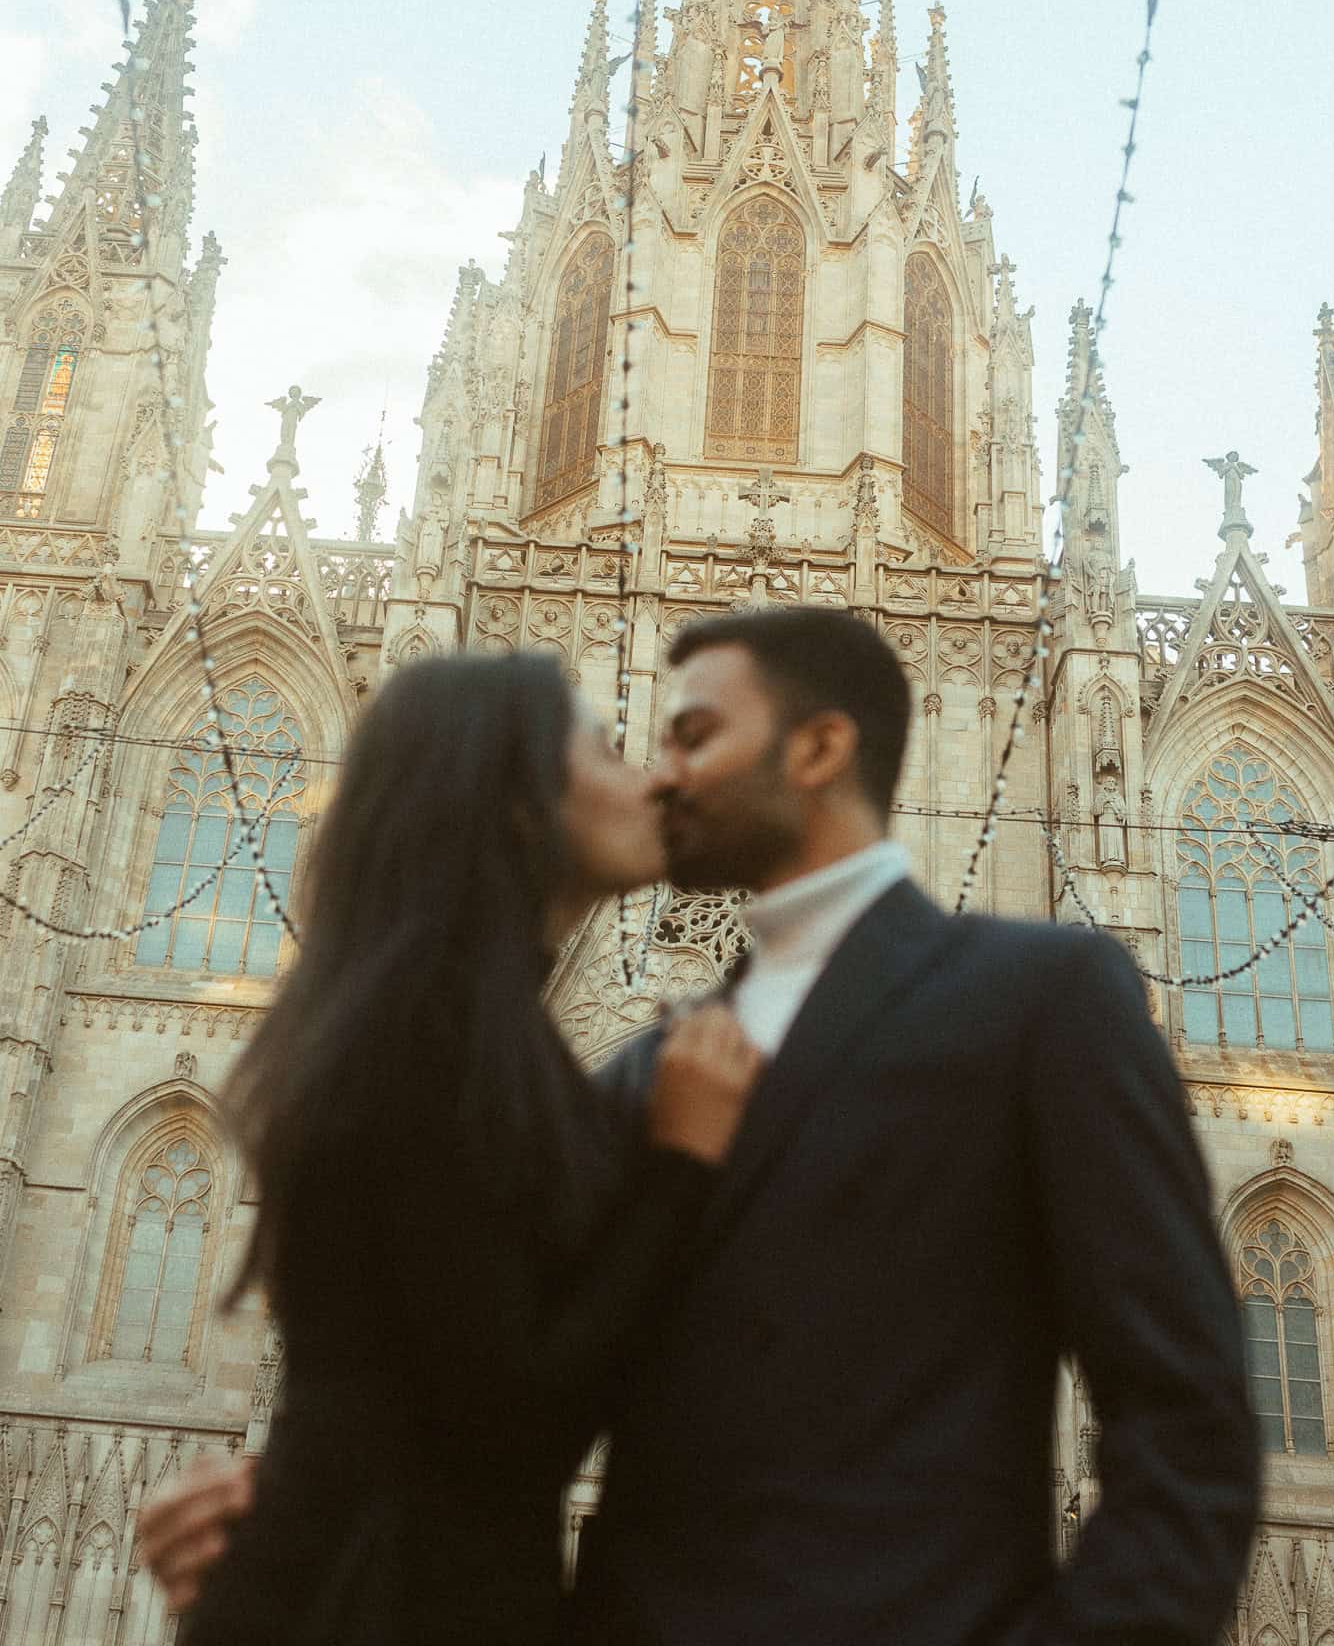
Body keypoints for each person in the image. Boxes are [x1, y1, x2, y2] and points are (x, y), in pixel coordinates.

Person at [145, 606, 1260, 1646]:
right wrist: (303, 1511)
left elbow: (1187, 1424)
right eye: (631, 746)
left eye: (690, 735)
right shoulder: (634, 1080)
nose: (658, 772)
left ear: (817, 749)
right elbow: (480, 1371)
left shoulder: (1043, 1000)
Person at [152, 651, 763, 1645]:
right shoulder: (418, 1040)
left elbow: (421, 1370)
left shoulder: (473, 1034)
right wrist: (681, 1164)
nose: (653, 778)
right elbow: (510, 1420)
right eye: (609, 751)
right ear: (517, 806)